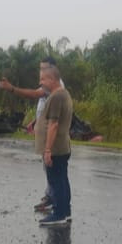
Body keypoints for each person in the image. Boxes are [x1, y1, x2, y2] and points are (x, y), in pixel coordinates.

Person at [0, 57, 64, 213]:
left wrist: (11, 88)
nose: (42, 71)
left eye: (45, 68)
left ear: (53, 69)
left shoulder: (54, 84)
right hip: (45, 127)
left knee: (52, 166)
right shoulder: (50, 83)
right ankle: (52, 197)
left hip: (51, 132)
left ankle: (56, 202)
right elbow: (46, 105)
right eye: (40, 68)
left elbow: (35, 94)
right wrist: (35, 121)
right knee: (48, 167)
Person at [34, 66, 73, 226]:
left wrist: (48, 150)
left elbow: (54, 125)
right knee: (62, 179)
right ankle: (65, 211)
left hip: (56, 148)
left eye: (43, 79)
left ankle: (58, 213)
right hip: (62, 146)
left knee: (56, 181)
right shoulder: (63, 94)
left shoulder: (56, 97)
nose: (40, 82)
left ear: (52, 79)